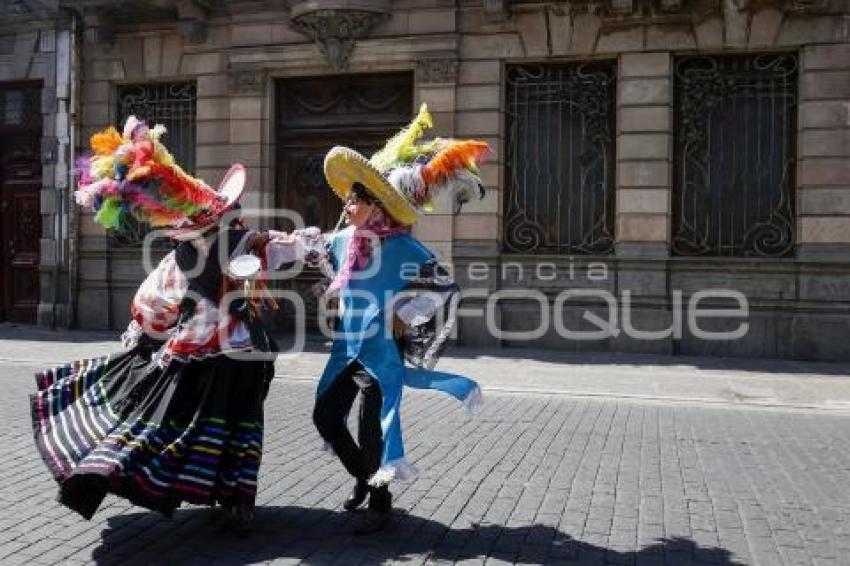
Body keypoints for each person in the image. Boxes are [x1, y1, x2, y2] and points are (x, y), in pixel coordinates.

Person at [30, 117, 283, 530]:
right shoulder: (227, 247)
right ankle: (237, 498)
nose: (236, 219)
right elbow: (154, 308)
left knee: (219, 425)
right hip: (231, 359)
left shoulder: (194, 256)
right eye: (231, 214)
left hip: (223, 359)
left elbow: (151, 310)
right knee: (237, 426)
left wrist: (147, 337)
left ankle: (230, 497)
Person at [302, 104, 489, 534]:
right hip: (348, 346)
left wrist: (401, 314)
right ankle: (365, 481)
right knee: (325, 417)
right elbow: (309, 246)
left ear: (376, 207)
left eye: (354, 202)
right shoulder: (344, 241)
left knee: (373, 427)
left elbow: (443, 287)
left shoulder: (405, 249)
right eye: (347, 201)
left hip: (383, 349)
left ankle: (380, 503)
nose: (346, 207)